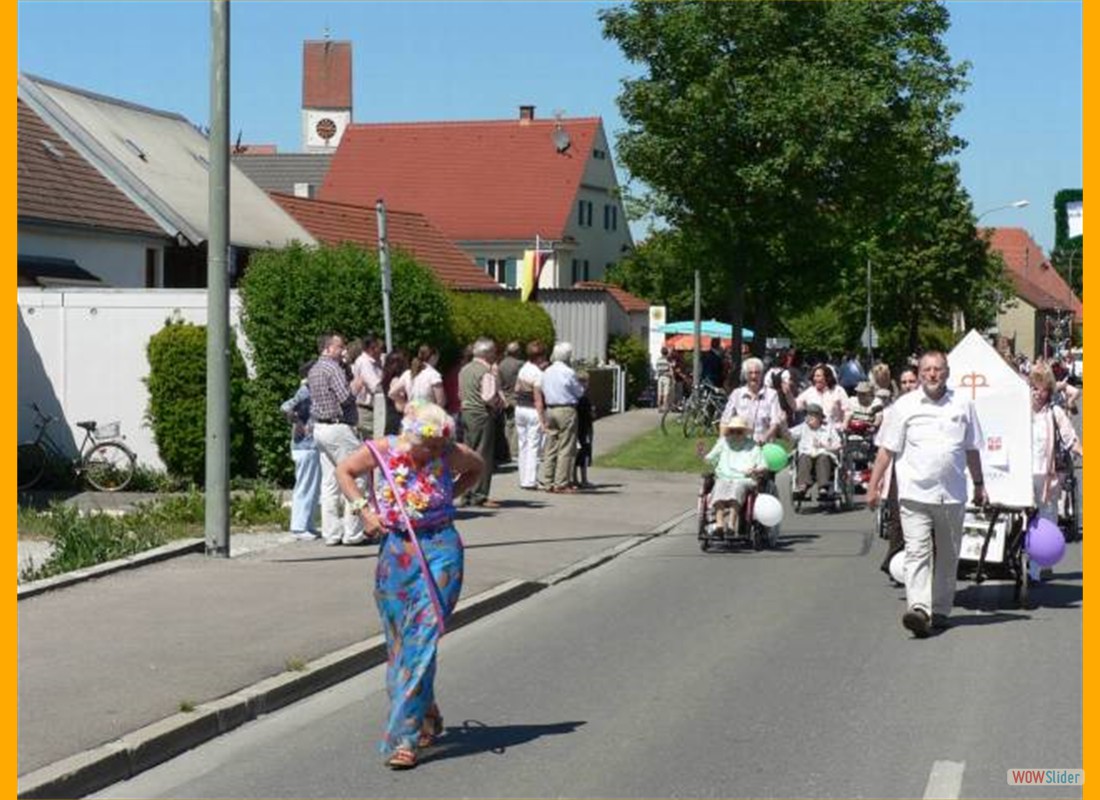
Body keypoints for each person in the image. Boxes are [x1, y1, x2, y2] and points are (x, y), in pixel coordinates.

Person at [334, 401, 485, 770]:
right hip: (396, 553)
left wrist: (451, 494)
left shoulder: (449, 453)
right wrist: (364, 512)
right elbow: (345, 471)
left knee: (423, 637)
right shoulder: (385, 451)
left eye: (440, 446)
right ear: (409, 438)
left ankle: (405, 738)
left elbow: (477, 467)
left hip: (441, 549)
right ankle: (427, 711)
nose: (435, 453)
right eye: (428, 446)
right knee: (400, 642)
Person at [867, 352, 987, 638]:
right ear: (919, 374)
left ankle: (941, 608)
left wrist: (980, 484)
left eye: (938, 369)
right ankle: (919, 609)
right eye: (927, 370)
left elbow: (972, 448)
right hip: (914, 493)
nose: (933, 374)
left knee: (948, 553)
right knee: (917, 552)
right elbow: (887, 450)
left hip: (952, 494)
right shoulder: (905, 406)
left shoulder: (963, 404)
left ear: (947, 372)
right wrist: (874, 485)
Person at [307, 332, 368, 546]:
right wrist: (357, 385)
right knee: (357, 476)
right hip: (337, 427)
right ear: (327, 348)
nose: (343, 351)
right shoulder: (333, 368)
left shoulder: (314, 369)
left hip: (320, 428)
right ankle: (353, 532)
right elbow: (345, 398)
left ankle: (331, 533)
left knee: (330, 482)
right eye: (339, 347)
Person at [1029, 363, 1082, 576]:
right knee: (1023, 518)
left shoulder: (1055, 412)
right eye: (1034, 387)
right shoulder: (1020, 411)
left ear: (1049, 390)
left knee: (1047, 518)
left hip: (1048, 475)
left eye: (1042, 388)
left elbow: (1071, 441)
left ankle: (1041, 561)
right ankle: (1027, 560)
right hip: (1023, 475)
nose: (1037, 393)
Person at [877, 366, 918, 578]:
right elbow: (884, 447)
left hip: (921, 473)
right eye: (904, 382)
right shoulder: (893, 410)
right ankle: (895, 559)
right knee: (897, 520)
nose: (908, 386)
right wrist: (878, 481)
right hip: (898, 472)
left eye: (912, 381)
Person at [458, 338, 504, 507]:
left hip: (466, 412)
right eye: (493, 352)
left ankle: (465, 492)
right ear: (487, 354)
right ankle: (479, 494)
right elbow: (488, 397)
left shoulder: (464, 370)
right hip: (481, 414)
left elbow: (460, 393)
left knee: (468, 453)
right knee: (482, 454)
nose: (495, 355)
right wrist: (497, 404)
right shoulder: (486, 372)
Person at [702, 416, 765, 536]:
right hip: (724, 477)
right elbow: (710, 459)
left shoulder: (753, 446)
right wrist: (703, 454)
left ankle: (731, 525)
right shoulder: (723, 443)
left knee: (736, 489)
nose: (735, 434)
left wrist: (755, 470)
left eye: (739, 431)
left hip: (744, 478)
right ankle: (720, 525)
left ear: (744, 433)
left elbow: (764, 465)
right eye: (732, 431)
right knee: (719, 487)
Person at [537, 341, 586, 493]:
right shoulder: (568, 372)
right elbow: (578, 392)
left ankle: (547, 480)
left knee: (551, 445)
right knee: (566, 446)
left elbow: (542, 388)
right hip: (565, 408)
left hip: (550, 409)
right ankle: (561, 482)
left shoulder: (547, 371)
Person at [280, 360, 321, 540]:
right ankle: (298, 526)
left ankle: (308, 524)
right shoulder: (305, 391)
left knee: (313, 486)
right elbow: (286, 406)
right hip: (304, 445)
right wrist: (297, 422)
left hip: (311, 444)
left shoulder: (311, 391)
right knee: (305, 484)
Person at [720, 357, 784, 445]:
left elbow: (775, 422)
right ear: (745, 375)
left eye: (757, 373)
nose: (754, 376)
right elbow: (725, 420)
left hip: (764, 445)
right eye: (750, 373)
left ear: (762, 375)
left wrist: (765, 437)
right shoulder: (736, 394)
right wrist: (721, 442)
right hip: (741, 445)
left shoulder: (772, 395)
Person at [789, 403, 841, 502]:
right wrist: (782, 423)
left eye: (811, 415)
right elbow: (788, 435)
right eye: (807, 415)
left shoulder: (828, 429)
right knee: (804, 457)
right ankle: (802, 486)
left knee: (822, 457)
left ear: (819, 418)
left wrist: (825, 446)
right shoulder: (802, 427)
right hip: (807, 455)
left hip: (825, 456)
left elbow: (838, 445)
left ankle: (823, 488)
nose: (808, 418)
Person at [514, 341, 548, 490]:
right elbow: (538, 399)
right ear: (540, 357)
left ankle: (523, 478)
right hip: (532, 410)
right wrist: (543, 421)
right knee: (534, 446)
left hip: (519, 409)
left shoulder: (523, 368)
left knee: (523, 444)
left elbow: (517, 388)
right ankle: (531, 480)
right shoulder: (538, 374)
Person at [389, 344, 446, 409]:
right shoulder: (434, 375)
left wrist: (405, 404)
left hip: (413, 414)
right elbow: (441, 401)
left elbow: (392, 393)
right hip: (428, 415)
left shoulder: (408, 373)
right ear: (433, 357)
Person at [350, 334, 384, 441]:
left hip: (371, 409)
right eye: (379, 347)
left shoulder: (374, 361)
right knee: (373, 444)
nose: (381, 350)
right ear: (372, 348)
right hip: (367, 411)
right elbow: (376, 387)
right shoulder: (364, 362)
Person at [498, 341, 524, 457]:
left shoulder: (501, 364)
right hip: (516, 398)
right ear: (517, 352)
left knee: (507, 425)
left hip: (505, 397)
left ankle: (506, 450)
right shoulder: (520, 364)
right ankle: (514, 451)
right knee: (516, 426)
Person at [380, 349, 409, 436]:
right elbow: (399, 407)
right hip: (397, 423)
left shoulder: (386, 380)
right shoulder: (396, 381)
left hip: (390, 420)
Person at [573, 370, 594, 488]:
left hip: (577, 428)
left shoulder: (574, 396)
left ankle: (575, 479)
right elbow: (588, 415)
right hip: (584, 428)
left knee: (575, 454)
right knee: (584, 454)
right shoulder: (583, 398)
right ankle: (584, 479)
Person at [654, 346, 672, 412]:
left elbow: (657, 369)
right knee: (666, 393)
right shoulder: (667, 360)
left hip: (660, 377)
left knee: (659, 393)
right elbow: (670, 369)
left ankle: (659, 407)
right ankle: (664, 407)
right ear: (667, 353)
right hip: (666, 377)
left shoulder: (658, 360)